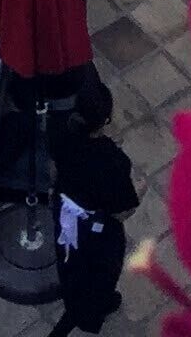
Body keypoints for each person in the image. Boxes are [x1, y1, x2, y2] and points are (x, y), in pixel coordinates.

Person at [46, 106, 139, 337]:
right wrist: (142, 190)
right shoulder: (112, 161)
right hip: (98, 232)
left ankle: (74, 310)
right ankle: (88, 314)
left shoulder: (60, 135)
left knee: (70, 265)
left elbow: (53, 172)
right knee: (100, 276)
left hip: (66, 216)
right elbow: (122, 212)